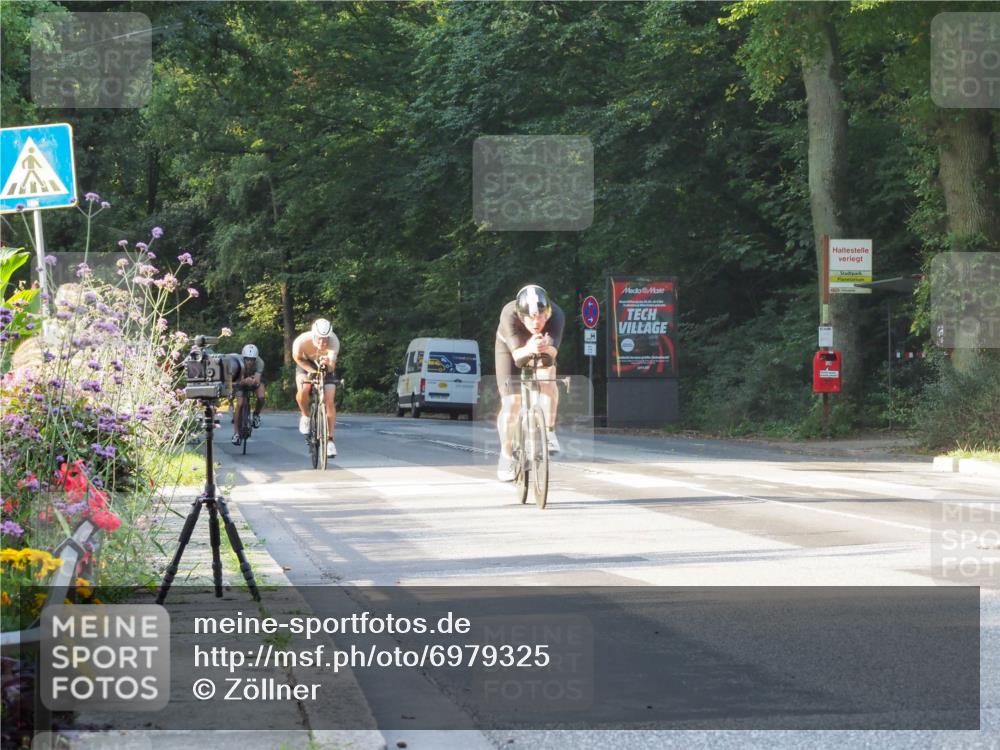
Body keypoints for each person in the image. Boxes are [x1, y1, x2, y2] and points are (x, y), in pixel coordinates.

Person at [494, 284, 565, 481]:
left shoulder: (556, 314)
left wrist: (544, 349)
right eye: (531, 318)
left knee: (548, 377)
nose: (536, 323)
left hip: (540, 346)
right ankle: (506, 455)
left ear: (547, 313)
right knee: (512, 402)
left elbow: (552, 353)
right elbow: (517, 357)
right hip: (510, 349)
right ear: (521, 315)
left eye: (541, 318)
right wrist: (529, 347)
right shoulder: (509, 314)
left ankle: (548, 432)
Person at [292, 318, 340, 458]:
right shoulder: (301, 341)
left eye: (326, 339)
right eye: (320, 339)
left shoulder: (334, 341)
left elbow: (332, 366)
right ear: (314, 335)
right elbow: (297, 358)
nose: (323, 343)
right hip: (305, 364)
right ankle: (306, 416)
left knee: (329, 399)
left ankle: (330, 441)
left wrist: (328, 363)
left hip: (325, 365)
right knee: (304, 389)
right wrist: (310, 372)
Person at [231, 344, 266, 446]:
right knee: (240, 403)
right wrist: (243, 381)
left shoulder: (260, 363)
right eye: (247, 359)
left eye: (252, 360)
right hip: (239, 380)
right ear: (243, 358)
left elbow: (258, 381)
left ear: (256, 359)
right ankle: (236, 433)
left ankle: (256, 414)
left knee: (261, 397)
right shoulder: (237, 362)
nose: (250, 362)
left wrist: (253, 381)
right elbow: (231, 382)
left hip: (253, 379)